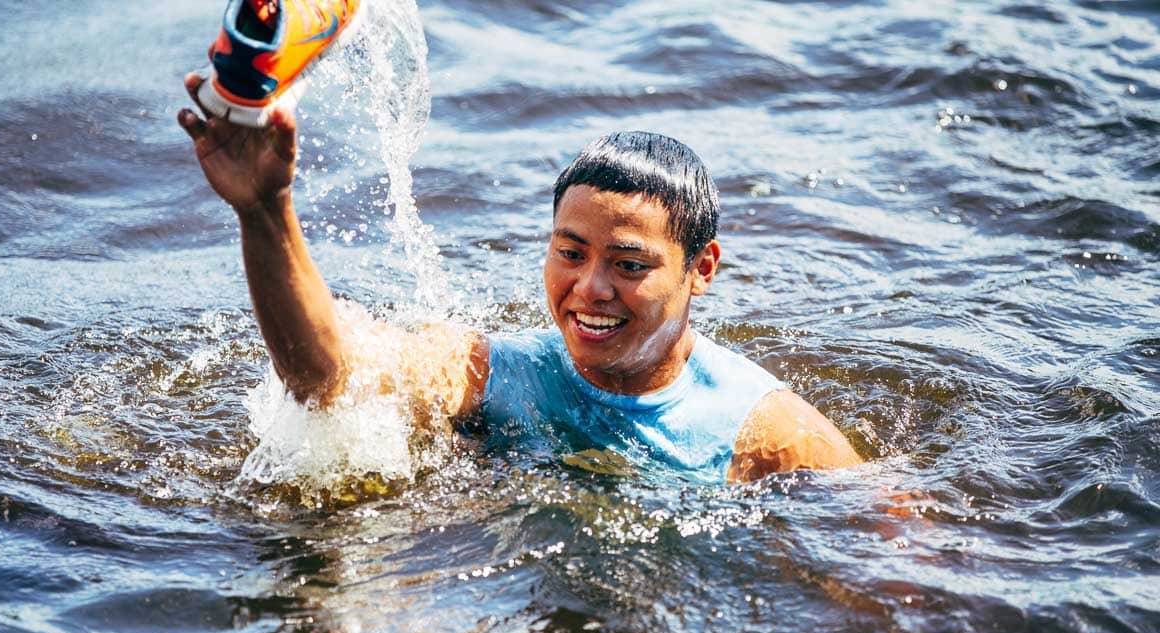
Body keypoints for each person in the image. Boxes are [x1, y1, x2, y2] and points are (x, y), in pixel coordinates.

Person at [177, 73, 862, 483]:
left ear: (701, 269)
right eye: (570, 253)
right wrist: (266, 212)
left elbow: (894, 555)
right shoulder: (491, 373)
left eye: (628, 265)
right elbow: (330, 382)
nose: (590, 289)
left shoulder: (765, 432)